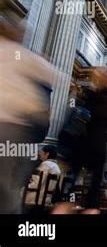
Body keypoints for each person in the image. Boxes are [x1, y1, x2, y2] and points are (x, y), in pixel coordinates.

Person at [0, 14, 59, 214]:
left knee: (7, 182)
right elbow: (56, 75)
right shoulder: (23, 55)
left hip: (12, 126)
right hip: (17, 127)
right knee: (10, 183)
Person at [54, 67, 107, 214]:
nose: (101, 79)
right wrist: (103, 138)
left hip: (90, 146)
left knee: (88, 183)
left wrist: (101, 138)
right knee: (75, 179)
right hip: (87, 145)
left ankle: (84, 207)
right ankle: (69, 205)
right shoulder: (97, 97)